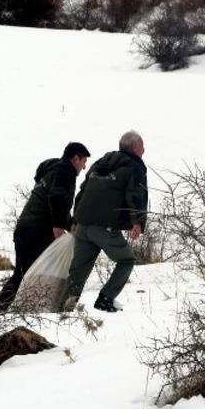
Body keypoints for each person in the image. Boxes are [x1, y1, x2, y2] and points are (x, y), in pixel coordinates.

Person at [0, 141, 90, 312]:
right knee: (41, 272)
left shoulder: (52, 171)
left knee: (22, 273)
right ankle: (32, 309)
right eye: (83, 162)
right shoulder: (65, 171)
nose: (83, 167)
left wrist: (69, 223)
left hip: (24, 228)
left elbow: (51, 201)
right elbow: (57, 197)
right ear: (76, 158)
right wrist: (60, 225)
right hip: (38, 230)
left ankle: (0, 309)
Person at [64, 130, 149, 313]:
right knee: (126, 260)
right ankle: (106, 299)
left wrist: (76, 219)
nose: (144, 149)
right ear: (135, 147)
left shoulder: (100, 163)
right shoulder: (134, 166)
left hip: (84, 225)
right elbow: (135, 194)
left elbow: (82, 191)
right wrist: (137, 223)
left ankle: (65, 305)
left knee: (78, 270)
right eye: (142, 145)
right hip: (104, 226)